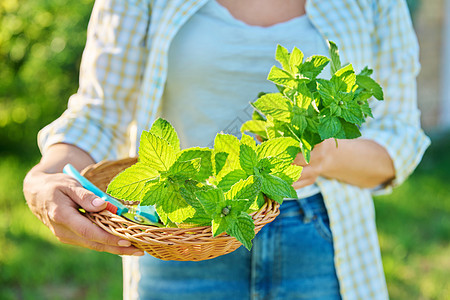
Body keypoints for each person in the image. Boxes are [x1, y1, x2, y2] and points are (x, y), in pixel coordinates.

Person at [23, 0, 430, 299]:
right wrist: (47, 177)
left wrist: (326, 156)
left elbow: (398, 137)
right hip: (181, 233)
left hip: (321, 239)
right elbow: (99, 113)